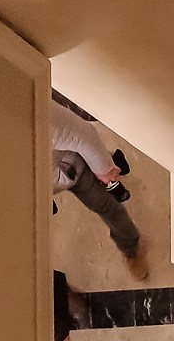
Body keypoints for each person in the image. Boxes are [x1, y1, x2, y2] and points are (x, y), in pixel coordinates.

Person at [51, 101, 148, 280]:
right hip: (51, 182)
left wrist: (103, 169)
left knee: (109, 207)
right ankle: (113, 163)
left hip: (75, 167)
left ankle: (130, 248)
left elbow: (81, 134)